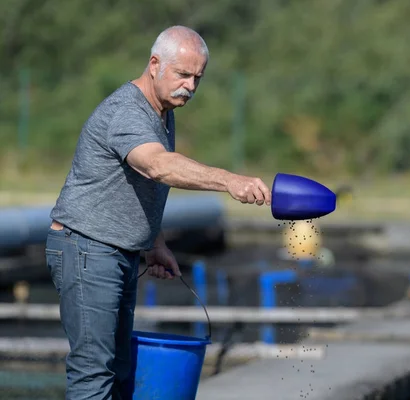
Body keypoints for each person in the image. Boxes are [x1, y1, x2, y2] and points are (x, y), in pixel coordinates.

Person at [45, 25, 271, 399]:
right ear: (154, 64)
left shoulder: (163, 112)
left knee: (118, 369)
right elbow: (157, 167)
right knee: (93, 373)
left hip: (119, 250)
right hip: (86, 249)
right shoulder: (126, 111)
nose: (191, 86)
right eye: (182, 74)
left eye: (198, 77)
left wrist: (154, 242)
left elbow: (140, 187)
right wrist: (228, 180)